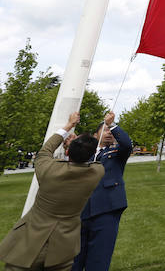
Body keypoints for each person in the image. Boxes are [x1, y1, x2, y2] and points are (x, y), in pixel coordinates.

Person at [0, 112, 104, 271]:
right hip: (63, 248)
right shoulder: (97, 172)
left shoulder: (48, 169)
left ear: (67, 152)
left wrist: (68, 126)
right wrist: (78, 145)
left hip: (28, 242)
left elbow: (45, 151)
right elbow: (92, 157)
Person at [72, 111, 133, 271]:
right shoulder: (84, 153)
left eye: (111, 131)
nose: (109, 133)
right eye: (105, 129)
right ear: (95, 135)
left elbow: (127, 144)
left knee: (98, 260)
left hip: (106, 210)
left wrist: (112, 124)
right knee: (74, 259)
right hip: (80, 211)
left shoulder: (116, 153)